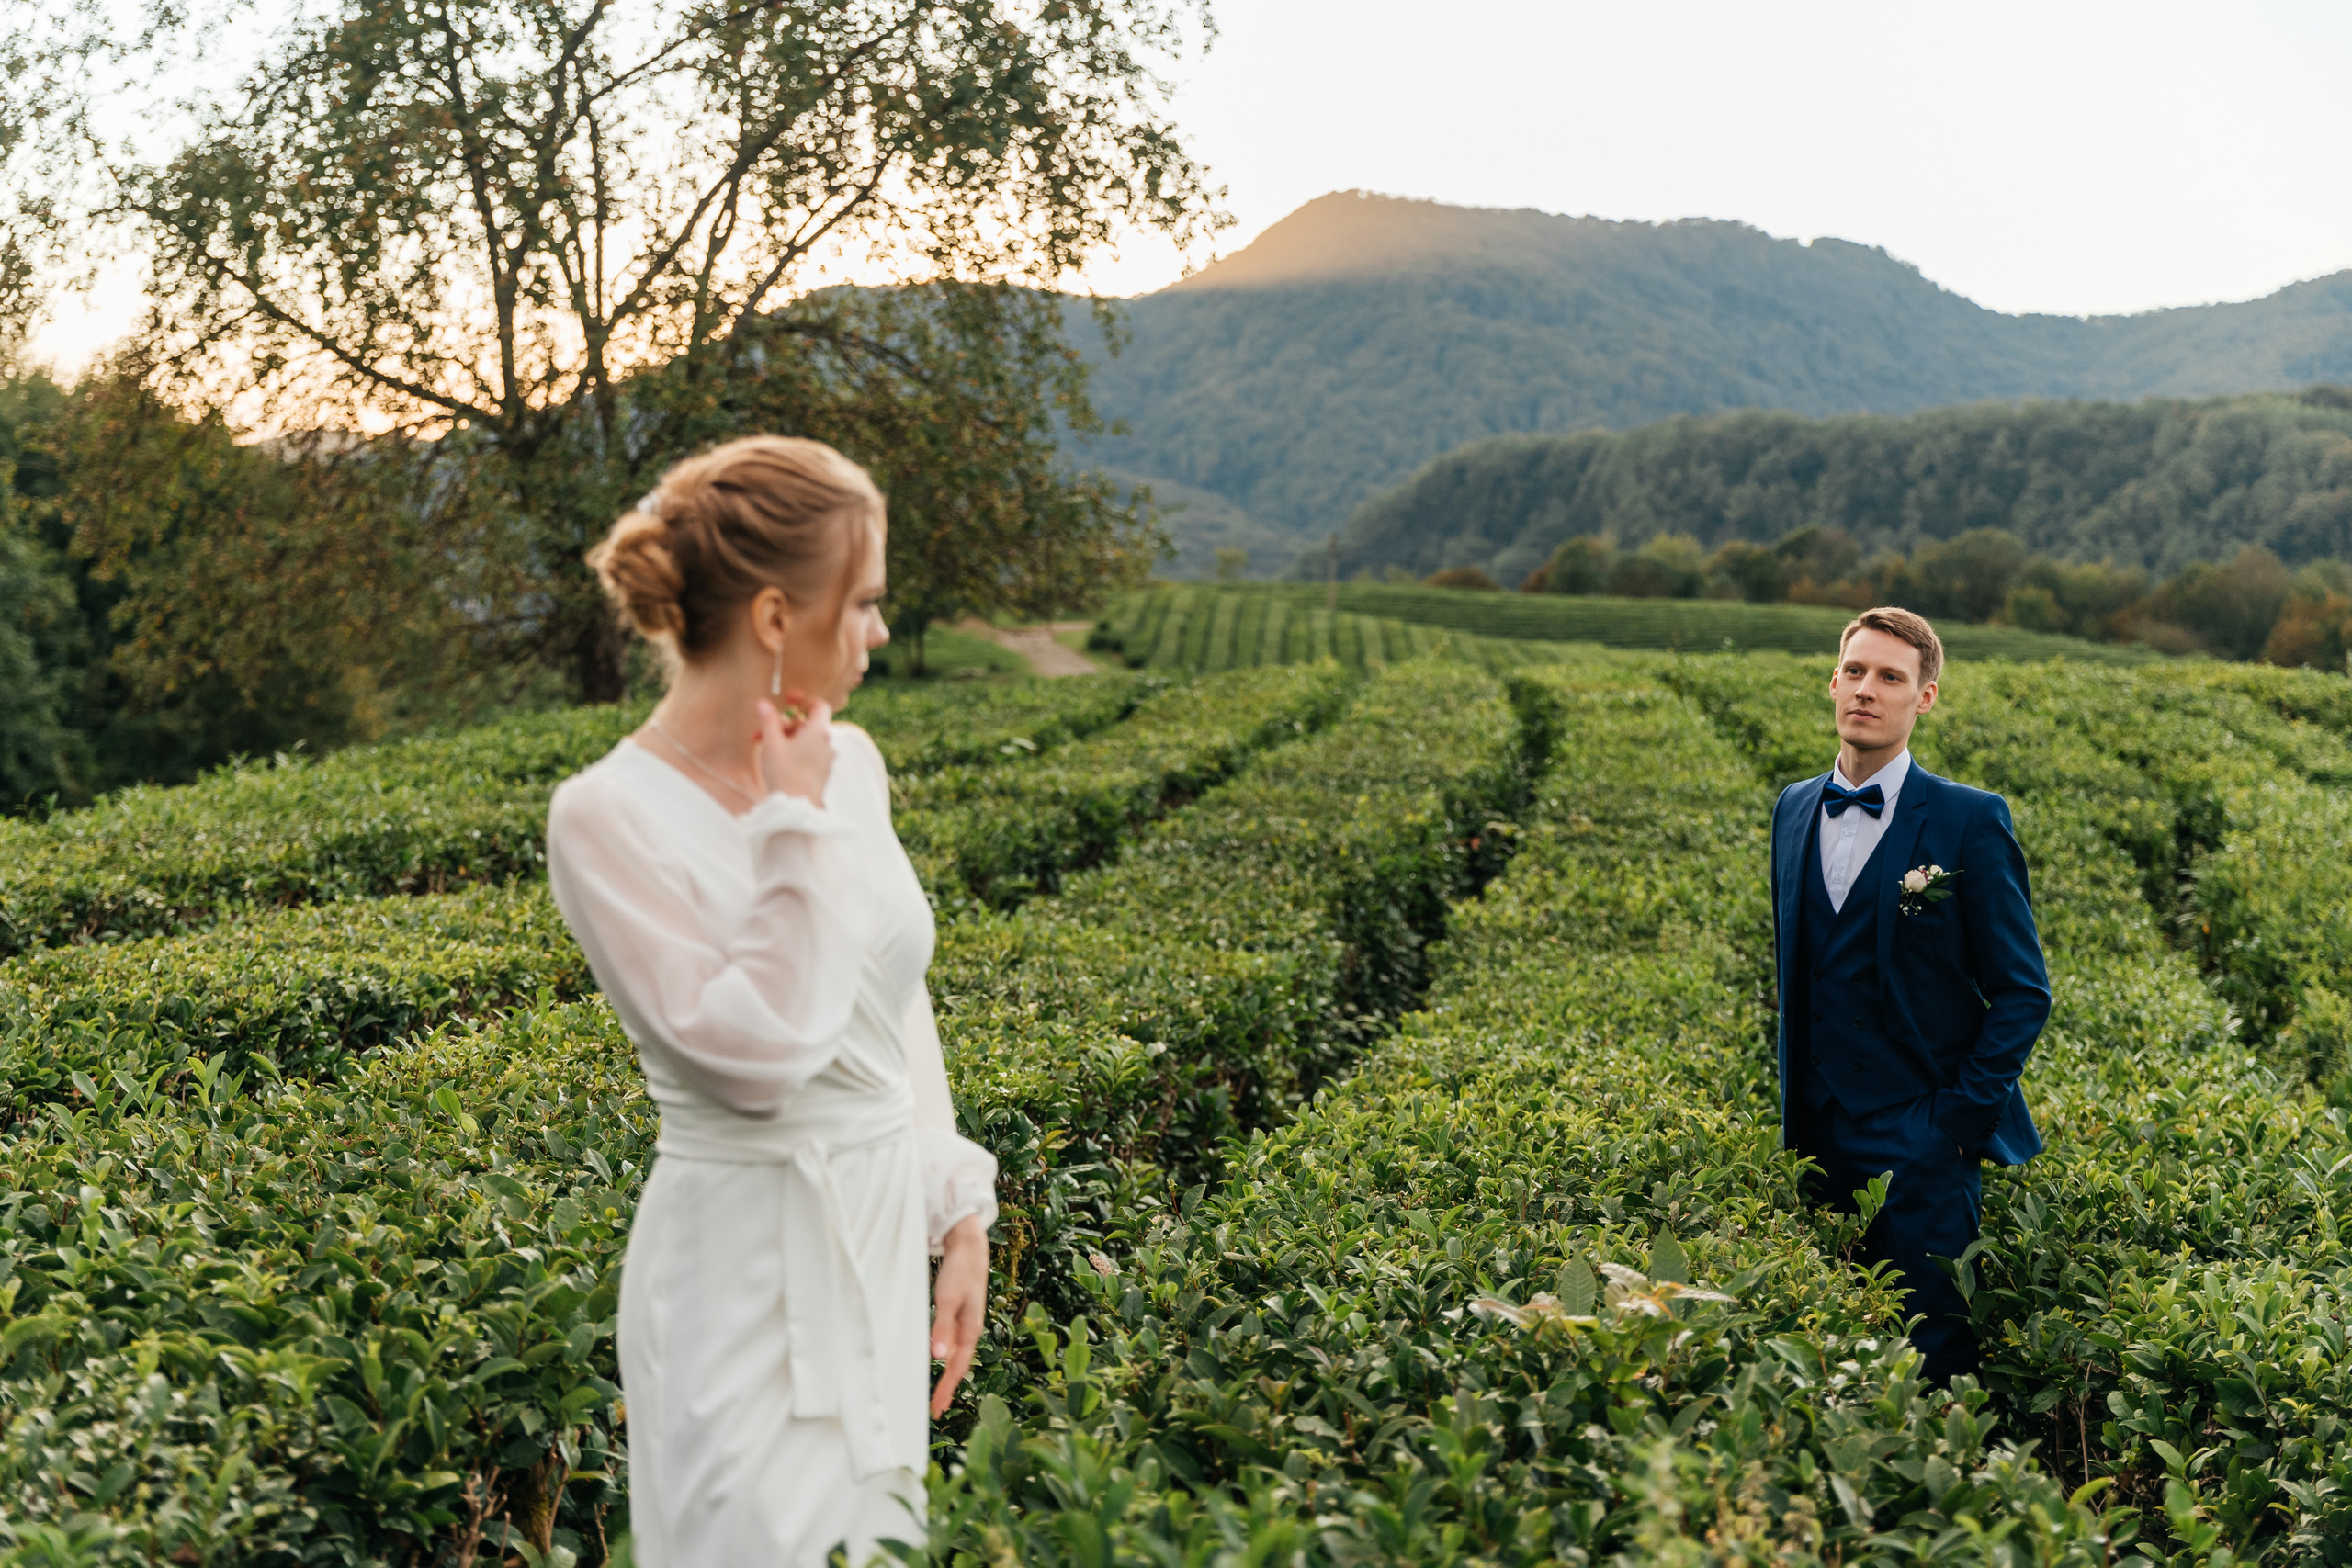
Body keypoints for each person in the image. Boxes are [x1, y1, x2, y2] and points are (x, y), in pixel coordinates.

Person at [545, 435, 997, 1565]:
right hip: (738, 1282)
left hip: (872, 1247)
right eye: (865, 604)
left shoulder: (855, 763)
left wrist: (956, 1206)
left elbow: (893, 998)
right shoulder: (604, 820)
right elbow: (759, 1059)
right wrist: (792, 827)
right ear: (776, 618)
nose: (880, 634)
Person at [1768, 607, 2049, 1383]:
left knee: (1933, 1368)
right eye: (1855, 671)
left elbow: (2024, 991)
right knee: (1825, 1366)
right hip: (1814, 1139)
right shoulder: (1793, 807)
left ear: (1924, 697)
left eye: (1891, 676)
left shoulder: (1969, 820)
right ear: (1832, 681)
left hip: (1922, 1145)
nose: (1867, 689)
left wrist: (1953, 1125)